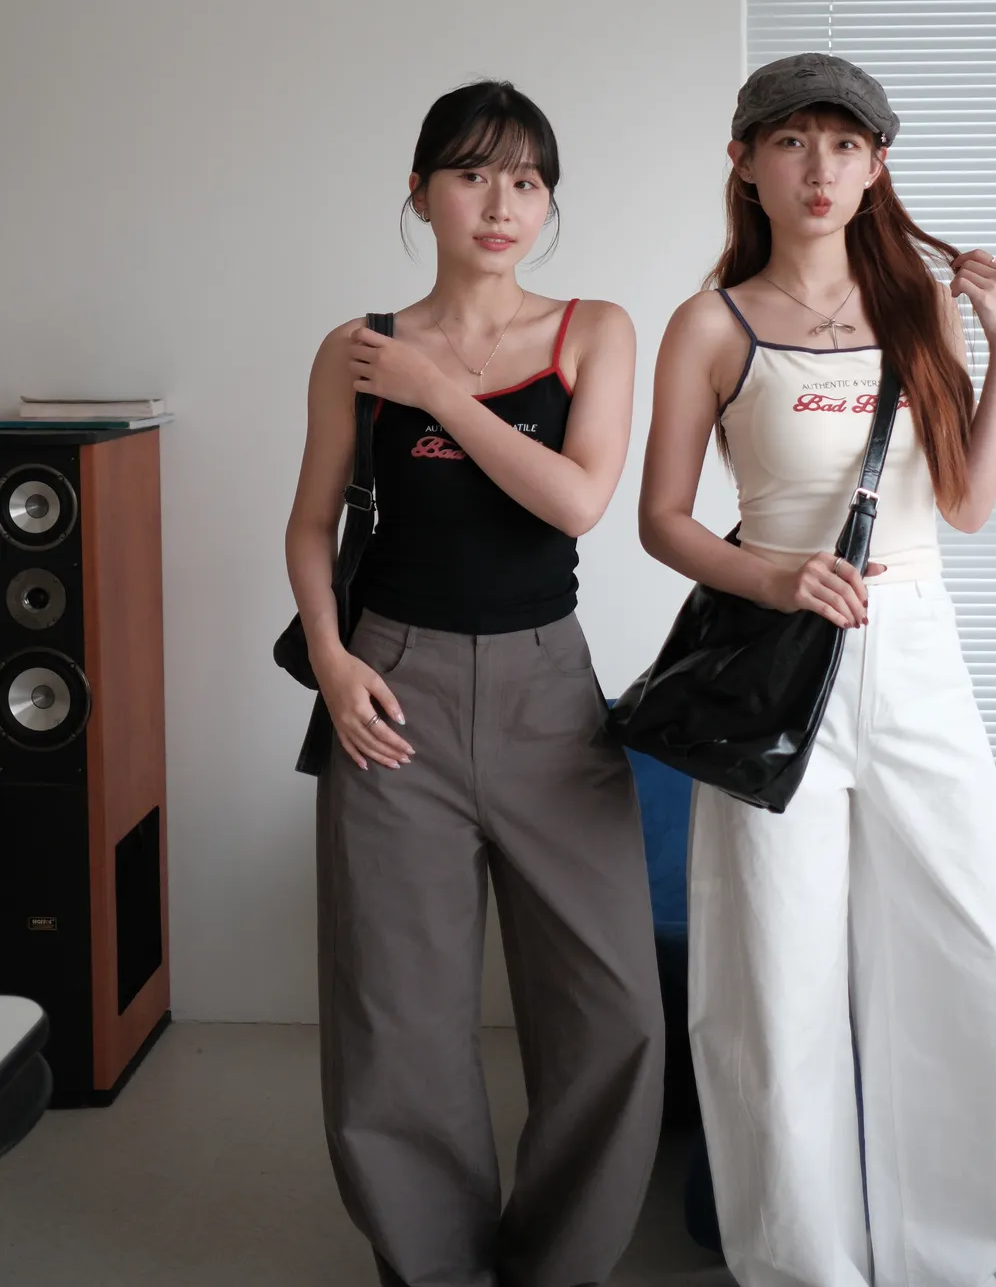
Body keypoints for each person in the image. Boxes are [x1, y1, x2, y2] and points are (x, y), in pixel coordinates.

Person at [639, 54, 996, 1287]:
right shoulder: (712, 324)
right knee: (773, 976)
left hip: (916, 651)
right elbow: (662, 521)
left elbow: (964, 505)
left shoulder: (917, 308)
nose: (821, 169)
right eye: (794, 142)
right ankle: (802, 1265)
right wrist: (774, 580)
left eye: (847, 145)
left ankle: (947, 1256)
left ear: (877, 167)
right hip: (779, 658)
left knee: (965, 953)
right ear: (744, 162)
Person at [284, 80, 664, 1287]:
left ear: (548, 203)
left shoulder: (595, 329)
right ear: (419, 192)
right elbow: (310, 524)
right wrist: (332, 660)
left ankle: (558, 1263)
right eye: (472, 174)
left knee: (613, 1013)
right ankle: (434, 1268)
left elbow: (579, 501)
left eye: (528, 181)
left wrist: (441, 393)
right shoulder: (356, 350)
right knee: (397, 1020)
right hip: (392, 688)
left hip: (552, 698)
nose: (502, 204)